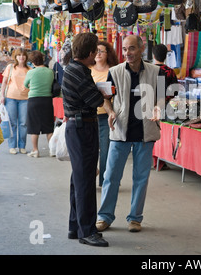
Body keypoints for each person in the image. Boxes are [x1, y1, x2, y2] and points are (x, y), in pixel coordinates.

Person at [96, 34, 163, 233]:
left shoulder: (156, 71)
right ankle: (104, 216)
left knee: (141, 178)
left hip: (146, 133)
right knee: (111, 177)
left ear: (142, 49)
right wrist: (110, 112)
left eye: (131, 48)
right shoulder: (114, 72)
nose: (127, 53)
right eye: (124, 49)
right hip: (120, 131)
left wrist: (159, 108)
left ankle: (135, 218)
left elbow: (160, 97)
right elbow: (106, 98)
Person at [62, 32, 109, 247]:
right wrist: (104, 94)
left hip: (78, 126)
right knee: (85, 182)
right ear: (89, 52)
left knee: (79, 180)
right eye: (96, 53)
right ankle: (87, 231)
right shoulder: (79, 71)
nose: (96, 57)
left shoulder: (73, 68)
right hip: (82, 127)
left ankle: (76, 226)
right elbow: (95, 99)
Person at [91, 40, 119, 187]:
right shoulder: (88, 69)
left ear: (108, 54)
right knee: (90, 148)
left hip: (107, 115)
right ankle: (91, 176)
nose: (98, 54)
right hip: (90, 114)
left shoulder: (114, 70)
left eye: (101, 51)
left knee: (106, 149)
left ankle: (104, 180)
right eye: (96, 51)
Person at [0, 48, 31, 155]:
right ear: (16, 57)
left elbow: (32, 84)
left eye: (23, 55)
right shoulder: (11, 67)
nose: (21, 57)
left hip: (25, 99)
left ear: (26, 57)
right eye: (19, 55)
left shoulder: (29, 69)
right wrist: (2, 95)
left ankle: (22, 146)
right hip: (11, 97)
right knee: (12, 123)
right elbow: (4, 82)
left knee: (23, 123)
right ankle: (12, 146)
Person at [23, 51, 54, 158]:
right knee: (49, 126)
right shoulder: (50, 72)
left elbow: (25, 84)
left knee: (34, 126)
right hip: (47, 100)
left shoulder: (31, 72)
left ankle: (35, 150)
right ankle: (52, 150)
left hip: (34, 100)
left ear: (32, 62)